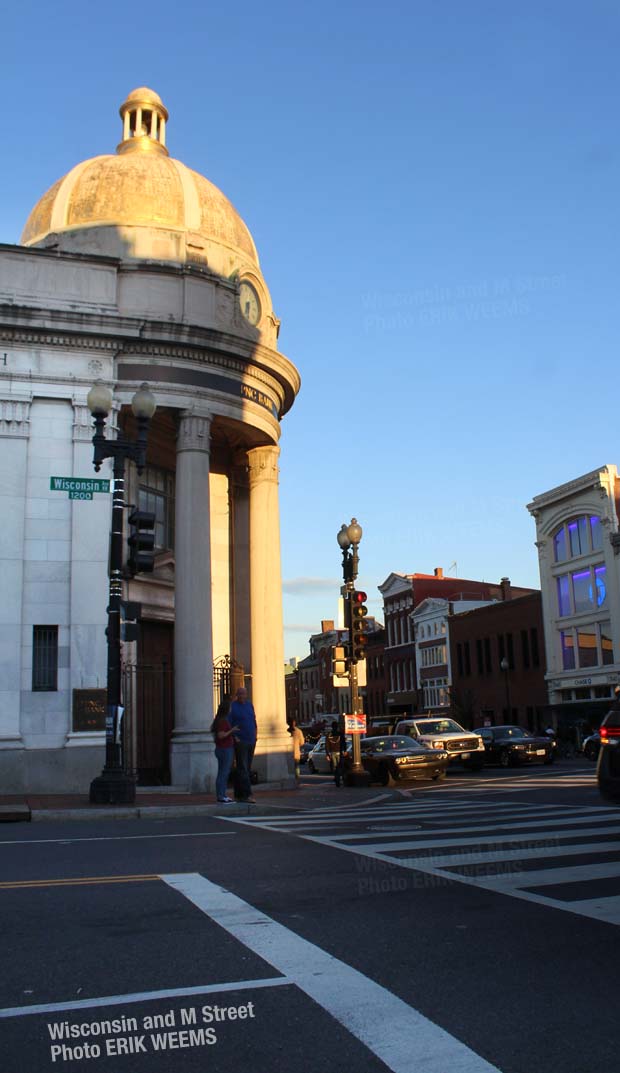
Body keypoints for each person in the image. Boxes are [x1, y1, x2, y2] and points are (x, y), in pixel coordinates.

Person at [229, 686, 257, 803]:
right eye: (240, 694)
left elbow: (254, 721)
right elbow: (229, 724)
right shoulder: (233, 707)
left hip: (251, 740)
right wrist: (235, 737)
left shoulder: (250, 705)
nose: (242, 696)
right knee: (243, 768)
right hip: (241, 741)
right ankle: (247, 795)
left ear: (246, 695)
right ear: (237, 695)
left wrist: (256, 736)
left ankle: (239, 794)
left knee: (245, 768)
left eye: (244, 694)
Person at [211, 697, 238, 803]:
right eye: (230, 707)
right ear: (227, 709)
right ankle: (221, 795)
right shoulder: (223, 721)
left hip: (222, 748)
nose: (231, 709)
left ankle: (221, 795)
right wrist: (232, 730)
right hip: (225, 749)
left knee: (223, 772)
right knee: (224, 772)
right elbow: (221, 735)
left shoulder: (219, 720)